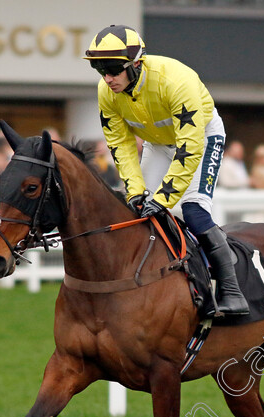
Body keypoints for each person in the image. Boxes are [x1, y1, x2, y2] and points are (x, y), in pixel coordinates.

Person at [84, 24, 248, 315]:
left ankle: (231, 291)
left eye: (113, 70)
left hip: (201, 139)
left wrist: (163, 198)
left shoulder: (176, 81)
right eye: (101, 71)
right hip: (157, 145)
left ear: (136, 64)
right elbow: (120, 145)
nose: (107, 79)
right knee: (135, 212)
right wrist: (135, 192)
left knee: (194, 212)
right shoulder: (106, 92)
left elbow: (189, 148)